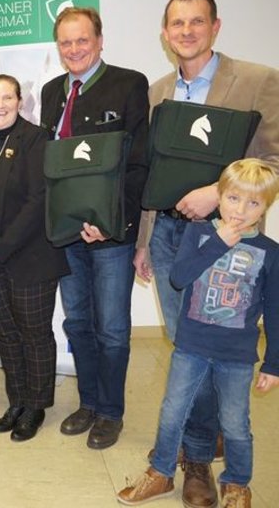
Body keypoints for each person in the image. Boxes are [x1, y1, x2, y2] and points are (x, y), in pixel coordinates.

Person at [132, 0, 279, 507]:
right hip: (170, 236)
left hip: (230, 241)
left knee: (217, 347)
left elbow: (274, 161)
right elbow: (154, 173)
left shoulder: (258, 80)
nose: (186, 31)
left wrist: (219, 193)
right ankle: (201, 443)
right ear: (165, 32)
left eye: (197, 21)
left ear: (215, 27)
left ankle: (197, 460)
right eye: (177, 23)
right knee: (187, 346)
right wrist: (144, 241)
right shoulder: (157, 93)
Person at [118, 159, 279, 508]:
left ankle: (237, 485)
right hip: (191, 347)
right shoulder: (199, 234)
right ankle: (161, 472)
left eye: (253, 203)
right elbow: (179, 278)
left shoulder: (270, 252)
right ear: (220, 196)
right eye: (233, 198)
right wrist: (218, 243)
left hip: (236, 356)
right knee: (173, 412)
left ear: (266, 206)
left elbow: (275, 311)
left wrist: (273, 363)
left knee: (236, 425)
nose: (241, 210)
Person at [39, 7, 149, 450]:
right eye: (65, 42)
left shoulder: (129, 84)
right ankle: (88, 403)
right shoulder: (51, 92)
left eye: (82, 40)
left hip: (110, 235)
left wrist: (111, 223)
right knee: (78, 322)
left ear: (100, 41)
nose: (74, 49)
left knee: (113, 328)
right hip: (67, 234)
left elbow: (138, 163)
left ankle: (110, 412)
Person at [0, 75, 69, 442]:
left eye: (7, 97)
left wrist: (1, 247)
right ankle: (17, 401)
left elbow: (39, 200)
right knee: (6, 331)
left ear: (20, 101)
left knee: (34, 333)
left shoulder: (37, 138)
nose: (0, 104)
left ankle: (36, 406)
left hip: (29, 255)